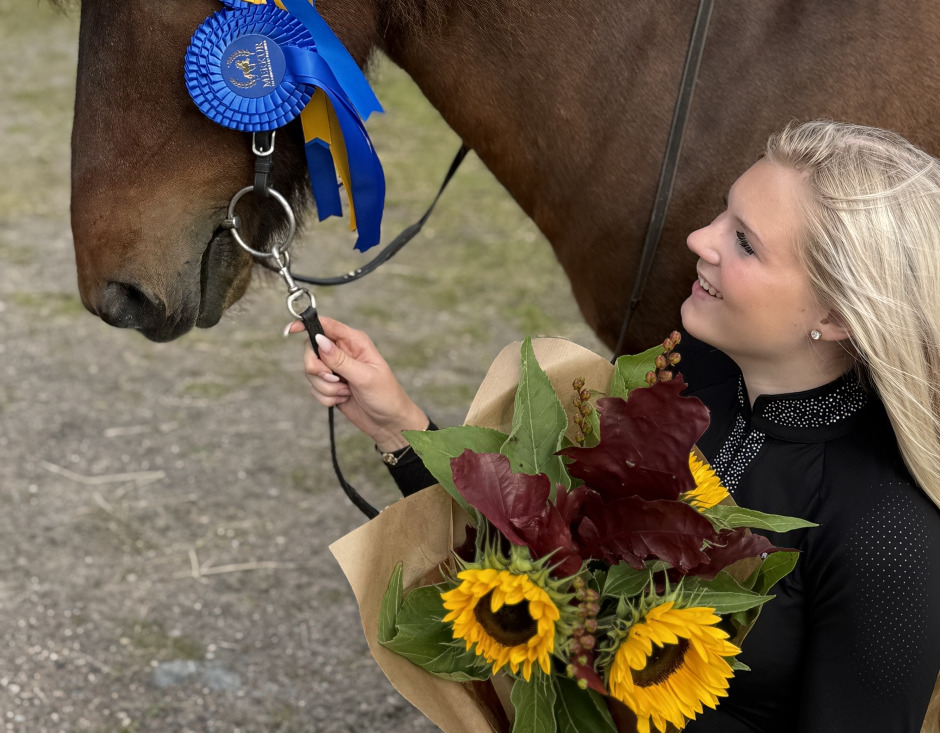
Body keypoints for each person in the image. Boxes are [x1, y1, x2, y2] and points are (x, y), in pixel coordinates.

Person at [291, 120, 940, 731]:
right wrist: (399, 426)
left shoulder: (890, 534)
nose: (700, 239)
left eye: (744, 240)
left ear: (837, 312)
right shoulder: (686, 371)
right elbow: (536, 556)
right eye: (724, 210)